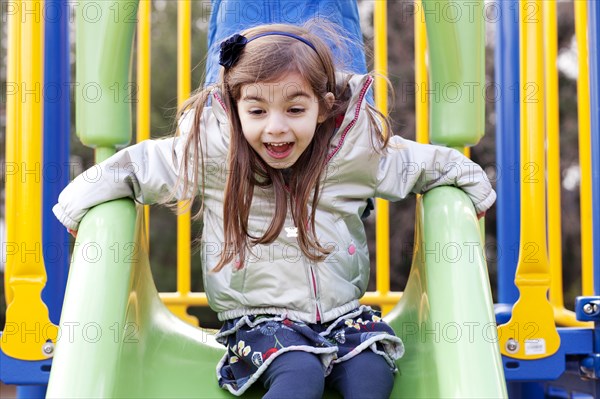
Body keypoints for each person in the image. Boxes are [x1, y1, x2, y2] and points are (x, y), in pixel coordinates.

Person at [54, 22, 496, 398]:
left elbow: (420, 165)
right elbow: (141, 166)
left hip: (341, 313)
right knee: (298, 371)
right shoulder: (214, 151)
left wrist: (473, 189)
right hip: (259, 320)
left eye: (295, 108)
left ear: (323, 109)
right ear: (235, 108)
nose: (276, 126)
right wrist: (78, 204)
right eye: (257, 110)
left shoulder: (353, 151)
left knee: (372, 373)